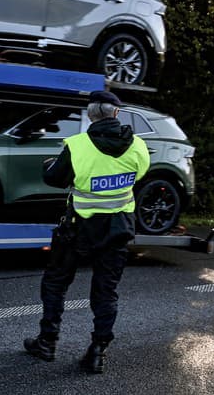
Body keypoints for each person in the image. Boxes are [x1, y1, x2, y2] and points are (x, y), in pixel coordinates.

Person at [23, 90, 150, 373]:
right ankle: (97, 352)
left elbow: (54, 177)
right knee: (106, 292)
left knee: (55, 283)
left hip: (78, 229)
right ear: (116, 113)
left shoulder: (78, 146)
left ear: (90, 115)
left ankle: (47, 342)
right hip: (118, 229)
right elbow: (139, 174)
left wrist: (50, 166)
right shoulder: (139, 146)